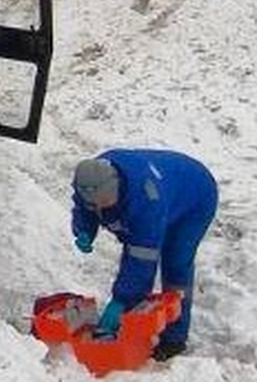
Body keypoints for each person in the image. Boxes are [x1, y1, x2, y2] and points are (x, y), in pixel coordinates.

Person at [71, 149, 218, 361]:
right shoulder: (89, 178)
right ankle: (132, 324)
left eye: (106, 203)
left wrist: (121, 300)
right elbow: (85, 209)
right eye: (95, 204)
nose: (100, 208)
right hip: (169, 188)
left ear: (118, 189)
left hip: (195, 197)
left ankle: (174, 337)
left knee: (176, 261)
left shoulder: (147, 199)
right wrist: (84, 230)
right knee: (140, 261)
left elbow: (141, 259)